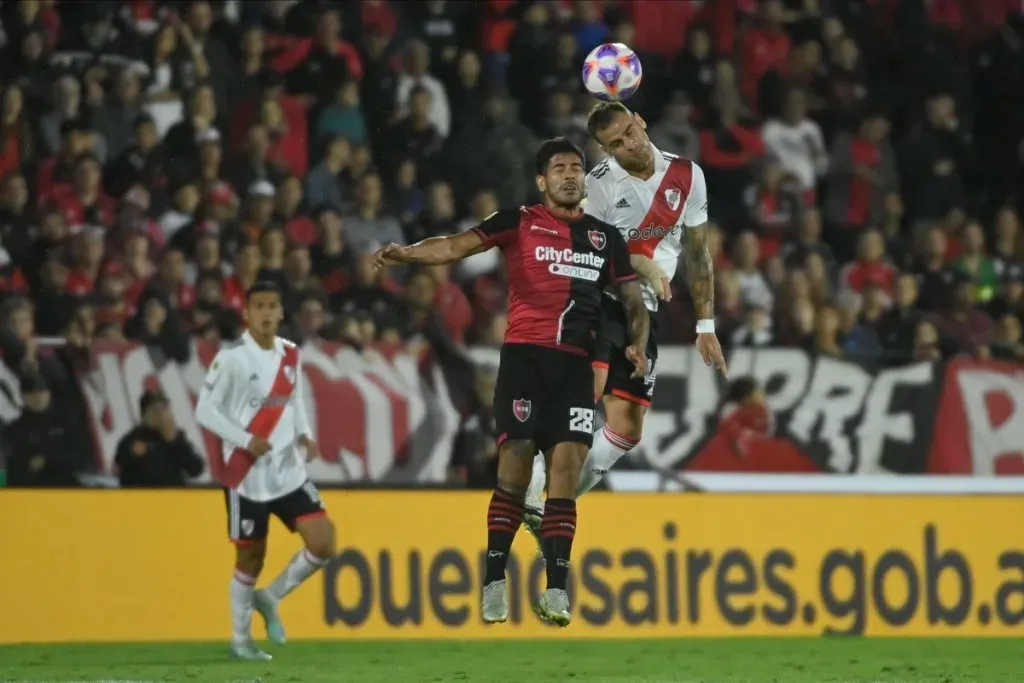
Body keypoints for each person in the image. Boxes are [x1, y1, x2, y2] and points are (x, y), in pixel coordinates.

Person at [371, 138, 649, 627]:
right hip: (524, 361)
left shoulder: (606, 239)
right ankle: (495, 578)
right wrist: (405, 255)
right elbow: (455, 246)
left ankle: (557, 590)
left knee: (565, 472)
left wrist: (638, 346)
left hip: (574, 369)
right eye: (559, 169)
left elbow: (630, 302)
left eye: (576, 168)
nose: (569, 175)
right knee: (515, 472)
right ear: (542, 181)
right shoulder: (517, 220)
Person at [523, 101, 728, 538]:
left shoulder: (688, 176)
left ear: (642, 121)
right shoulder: (596, 187)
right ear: (604, 150)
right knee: (585, 395)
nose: (627, 146)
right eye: (614, 145)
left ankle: (556, 508)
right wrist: (645, 265)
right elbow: (595, 255)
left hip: (644, 311)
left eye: (629, 134)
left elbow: (697, 253)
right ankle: (533, 481)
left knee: (627, 429)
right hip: (598, 299)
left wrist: (705, 326)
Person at [195, 281, 335, 661]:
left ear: (281, 312)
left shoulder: (290, 354)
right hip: (247, 475)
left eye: (273, 305)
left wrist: (305, 434)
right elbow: (204, 410)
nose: (268, 313)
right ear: (247, 313)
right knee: (250, 559)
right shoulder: (232, 358)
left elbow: (295, 398)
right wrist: (244, 439)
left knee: (323, 543)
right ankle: (241, 641)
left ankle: (270, 599)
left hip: (287, 470)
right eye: (259, 306)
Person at [115, 389, 205, 487]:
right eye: (155, 410)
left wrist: (174, 442)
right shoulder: (132, 440)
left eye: (164, 408)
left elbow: (196, 470)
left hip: (177, 498)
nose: (161, 414)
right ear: (144, 414)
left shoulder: (177, 437)